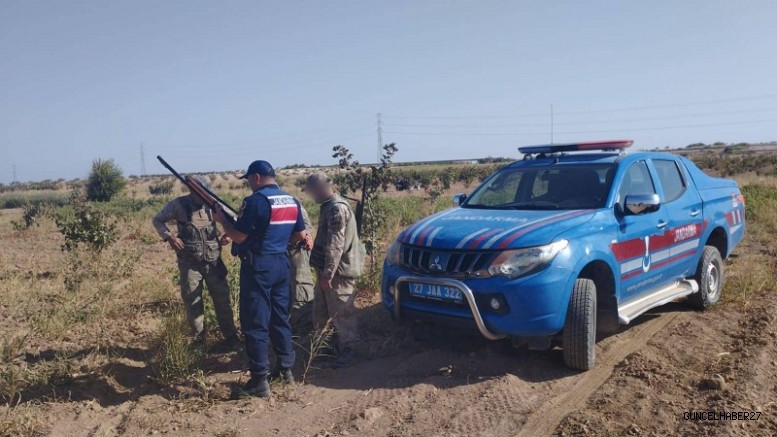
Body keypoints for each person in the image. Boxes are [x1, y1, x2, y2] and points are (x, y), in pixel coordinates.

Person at [213, 160, 310, 398]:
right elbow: (299, 234)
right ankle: (286, 370)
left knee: (255, 321)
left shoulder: (254, 201)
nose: (248, 184)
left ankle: (259, 380)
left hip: (259, 267)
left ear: (256, 177)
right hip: (281, 264)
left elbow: (238, 235)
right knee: (280, 318)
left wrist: (221, 219)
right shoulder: (291, 200)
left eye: (248, 179)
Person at [152, 175, 241, 350]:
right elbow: (157, 220)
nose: (205, 196)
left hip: (214, 262)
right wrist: (169, 237)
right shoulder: (178, 204)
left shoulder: (215, 205)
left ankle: (231, 338)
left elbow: (235, 221)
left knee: (222, 300)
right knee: (192, 300)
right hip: (189, 262)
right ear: (193, 191)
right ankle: (199, 341)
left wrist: (227, 235)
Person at [304, 172, 366, 367]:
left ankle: (352, 350)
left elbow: (335, 245)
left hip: (338, 272)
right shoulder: (329, 206)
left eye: (312, 191)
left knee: (342, 312)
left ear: (320, 188)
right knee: (321, 311)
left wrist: (328, 273)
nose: (312, 196)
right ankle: (327, 348)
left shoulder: (336, 209)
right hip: (328, 270)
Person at [288, 205, 315, 335]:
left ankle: (305, 329)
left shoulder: (293, 204)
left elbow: (305, 228)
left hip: (296, 251)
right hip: (276, 257)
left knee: (301, 291)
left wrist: (306, 236)